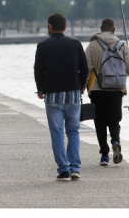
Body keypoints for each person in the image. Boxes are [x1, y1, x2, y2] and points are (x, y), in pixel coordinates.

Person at [34, 13, 88, 181]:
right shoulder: (75, 43)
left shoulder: (42, 46)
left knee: (57, 132)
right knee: (73, 131)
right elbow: (85, 69)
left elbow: (38, 70)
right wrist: (79, 88)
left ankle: (63, 169)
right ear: (65, 27)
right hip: (72, 95)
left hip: (52, 96)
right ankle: (75, 168)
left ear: (50, 27)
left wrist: (40, 89)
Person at [85, 18, 129, 166]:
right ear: (114, 30)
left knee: (99, 121)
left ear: (101, 28)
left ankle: (104, 155)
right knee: (114, 119)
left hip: (97, 89)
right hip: (117, 89)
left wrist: (82, 88)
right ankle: (115, 141)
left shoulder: (92, 45)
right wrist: (119, 76)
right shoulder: (122, 45)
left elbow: (86, 69)